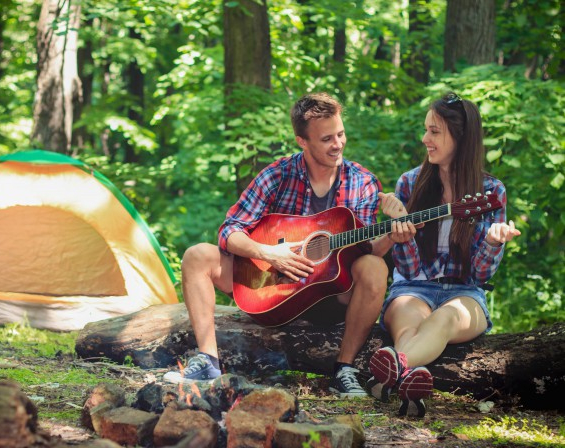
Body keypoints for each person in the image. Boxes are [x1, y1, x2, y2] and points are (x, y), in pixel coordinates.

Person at [163, 92, 413, 397]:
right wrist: (268, 253)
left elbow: (366, 251)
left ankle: (344, 370)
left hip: (329, 295)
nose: (338, 144)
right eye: (326, 139)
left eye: (341, 134)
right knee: (196, 256)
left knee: (373, 267)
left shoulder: (362, 182)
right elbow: (230, 230)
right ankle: (208, 362)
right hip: (271, 288)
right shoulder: (277, 175)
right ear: (302, 141)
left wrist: (390, 235)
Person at [366, 92, 521, 417]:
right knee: (410, 325)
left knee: (445, 318)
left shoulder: (492, 192)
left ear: (460, 137)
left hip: (465, 294)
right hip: (412, 289)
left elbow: (480, 277)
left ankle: (389, 373)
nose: (425, 139)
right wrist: (401, 236)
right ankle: (409, 379)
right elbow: (407, 269)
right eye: (426, 130)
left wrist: (494, 243)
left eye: (434, 131)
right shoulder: (410, 183)